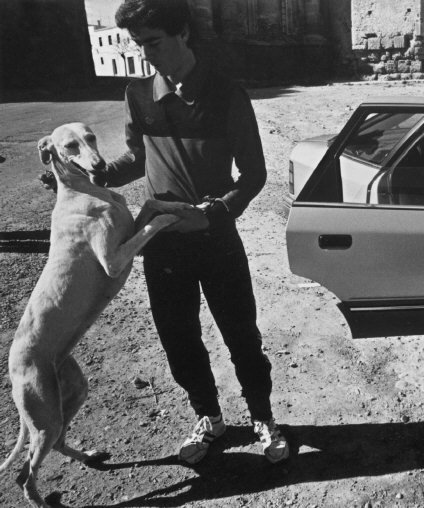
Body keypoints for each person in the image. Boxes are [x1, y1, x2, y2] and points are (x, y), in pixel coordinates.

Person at [99, 0, 289, 465]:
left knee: (241, 334)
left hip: (216, 237)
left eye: (153, 42)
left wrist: (215, 213)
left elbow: (253, 174)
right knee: (178, 338)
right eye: (138, 44)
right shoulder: (138, 94)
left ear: (183, 33)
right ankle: (209, 418)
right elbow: (138, 160)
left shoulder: (227, 94)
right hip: (161, 243)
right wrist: (96, 174)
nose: (146, 53)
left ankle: (262, 416)